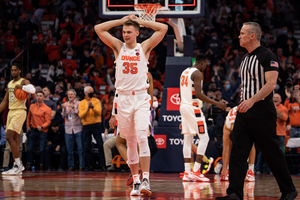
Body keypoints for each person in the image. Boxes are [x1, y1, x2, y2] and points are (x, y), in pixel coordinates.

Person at [216, 22, 297, 200]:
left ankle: (289, 190)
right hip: (244, 111)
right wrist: (238, 103)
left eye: (242, 33)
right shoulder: (244, 59)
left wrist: (252, 100)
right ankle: (235, 193)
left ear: (252, 36)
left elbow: (271, 84)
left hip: (262, 110)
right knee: (238, 151)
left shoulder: (268, 56)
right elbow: (245, 88)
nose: (239, 36)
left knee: (272, 152)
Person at [95, 14, 167, 196]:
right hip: (123, 99)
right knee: (130, 142)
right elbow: (99, 29)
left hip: (141, 98)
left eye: (129, 31)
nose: (125, 34)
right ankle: (135, 181)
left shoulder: (144, 47)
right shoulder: (118, 47)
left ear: (137, 32)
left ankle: (146, 181)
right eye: (123, 31)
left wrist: (142, 22)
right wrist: (121, 20)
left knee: (143, 137)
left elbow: (163, 28)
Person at [179, 53, 226, 182]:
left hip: (183, 106)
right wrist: (218, 103)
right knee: (204, 137)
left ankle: (187, 172)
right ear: (203, 63)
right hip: (193, 107)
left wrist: (184, 114)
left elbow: (180, 94)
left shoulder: (184, 72)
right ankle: (196, 171)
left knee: (187, 139)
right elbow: (199, 95)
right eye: (206, 65)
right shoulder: (197, 73)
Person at [0, 64, 36, 175]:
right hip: (11, 112)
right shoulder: (10, 83)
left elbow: (33, 90)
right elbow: (5, 101)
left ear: (19, 70)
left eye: (15, 70)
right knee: (14, 139)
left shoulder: (23, 81)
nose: (13, 72)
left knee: (8, 137)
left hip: (20, 111)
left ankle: (18, 164)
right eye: (12, 70)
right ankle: (17, 165)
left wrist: (21, 87)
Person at [220, 106, 256, 182]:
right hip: (238, 117)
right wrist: (224, 168)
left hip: (250, 116)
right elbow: (225, 149)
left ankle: (250, 170)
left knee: (251, 146)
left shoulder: (247, 126)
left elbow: (244, 149)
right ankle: (228, 169)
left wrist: (244, 170)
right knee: (228, 145)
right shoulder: (227, 127)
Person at [78, 86, 105, 171]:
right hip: (86, 125)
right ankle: (90, 165)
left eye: (92, 91)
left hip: (96, 124)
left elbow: (99, 112)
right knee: (87, 146)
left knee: (100, 145)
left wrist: (92, 107)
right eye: (90, 91)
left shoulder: (96, 101)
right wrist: (87, 109)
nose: (91, 92)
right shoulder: (82, 103)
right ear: (85, 92)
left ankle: (102, 165)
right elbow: (81, 115)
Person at [26, 91, 52, 170]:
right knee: (29, 148)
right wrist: (27, 125)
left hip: (42, 131)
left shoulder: (47, 108)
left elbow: (48, 121)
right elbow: (28, 117)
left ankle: (41, 164)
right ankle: (29, 163)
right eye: (37, 96)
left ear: (43, 97)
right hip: (33, 129)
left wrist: (42, 126)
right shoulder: (32, 106)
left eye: (41, 96)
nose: (39, 97)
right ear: (35, 97)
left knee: (41, 149)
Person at [62, 89, 84, 171]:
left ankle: (81, 166)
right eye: (69, 94)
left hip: (78, 128)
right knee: (69, 149)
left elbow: (79, 113)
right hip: (68, 128)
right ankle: (71, 166)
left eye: (71, 94)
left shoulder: (79, 103)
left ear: (75, 95)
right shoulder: (65, 104)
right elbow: (64, 116)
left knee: (80, 148)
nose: (70, 96)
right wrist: (64, 109)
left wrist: (72, 107)